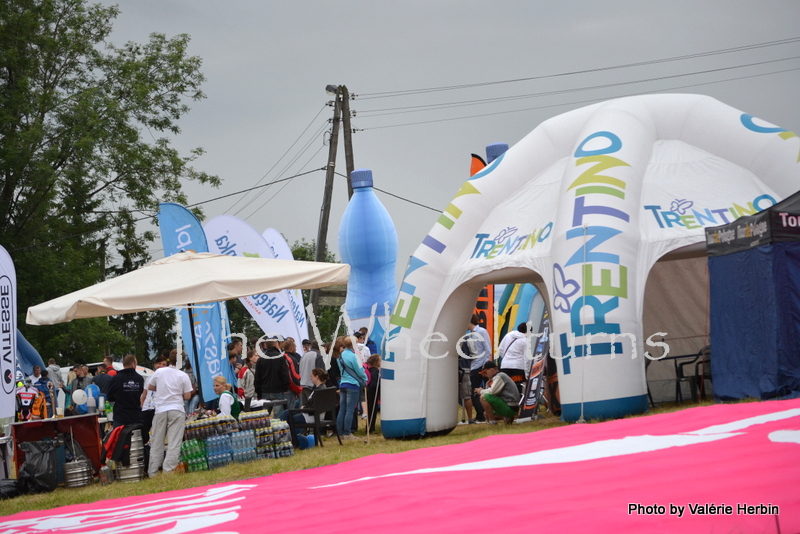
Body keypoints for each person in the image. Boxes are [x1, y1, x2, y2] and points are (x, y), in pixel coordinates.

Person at [146, 351, 193, 477]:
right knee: (174, 442)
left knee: (157, 441)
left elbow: (150, 386)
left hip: (160, 409)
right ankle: (168, 470)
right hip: (177, 408)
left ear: (168, 359)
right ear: (182, 361)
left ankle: (153, 471)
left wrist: (162, 389)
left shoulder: (160, 371)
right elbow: (188, 396)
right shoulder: (183, 375)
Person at [335, 335, 367, 440]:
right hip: (353, 384)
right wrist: (364, 378)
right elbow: (359, 371)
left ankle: (340, 432)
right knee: (350, 410)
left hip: (343, 383)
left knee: (342, 409)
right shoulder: (354, 356)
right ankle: (348, 433)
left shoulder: (340, 356)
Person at [464, 313, 491, 423]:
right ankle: (481, 414)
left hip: (480, 365)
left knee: (477, 390)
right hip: (474, 364)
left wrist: (485, 365)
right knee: (475, 391)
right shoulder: (470, 334)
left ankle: (482, 414)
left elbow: (487, 348)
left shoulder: (481, 332)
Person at [254, 337, 290, 418]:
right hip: (278, 390)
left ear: (266, 345)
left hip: (265, 390)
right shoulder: (280, 357)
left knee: (264, 417)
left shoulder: (261, 359)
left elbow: (257, 377)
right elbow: (284, 374)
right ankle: (279, 430)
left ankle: (264, 430)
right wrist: (285, 388)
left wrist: (258, 392)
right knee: (279, 416)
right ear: (275, 344)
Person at [107, 354, 144, 428]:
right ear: (133, 364)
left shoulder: (116, 378)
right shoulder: (140, 379)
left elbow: (109, 397)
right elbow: (142, 395)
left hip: (120, 416)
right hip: (135, 415)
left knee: (120, 438)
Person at [140, 355, 168, 444]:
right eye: (159, 363)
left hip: (158, 408)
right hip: (147, 407)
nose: (161, 365)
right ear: (155, 365)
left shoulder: (166, 378)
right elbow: (144, 394)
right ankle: (146, 449)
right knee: (144, 431)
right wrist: (142, 404)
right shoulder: (148, 378)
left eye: (164, 364)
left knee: (158, 431)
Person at [498, 322, 530, 395]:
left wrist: (507, 358)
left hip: (505, 365)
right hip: (518, 367)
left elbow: (500, 350)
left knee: (505, 387)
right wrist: (527, 373)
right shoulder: (526, 341)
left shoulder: (508, 335)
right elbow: (526, 358)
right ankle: (516, 404)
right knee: (517, 388)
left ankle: (506, 404)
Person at [365, 354, 381, 433]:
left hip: (372, 393)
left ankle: (371, 427)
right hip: (372, 394)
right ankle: (370, 427)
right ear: (375, 362)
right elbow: (373, 384)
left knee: (372, 410)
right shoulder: (375, 372)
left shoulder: (373, 371)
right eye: (379, 361)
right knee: (372, 410)